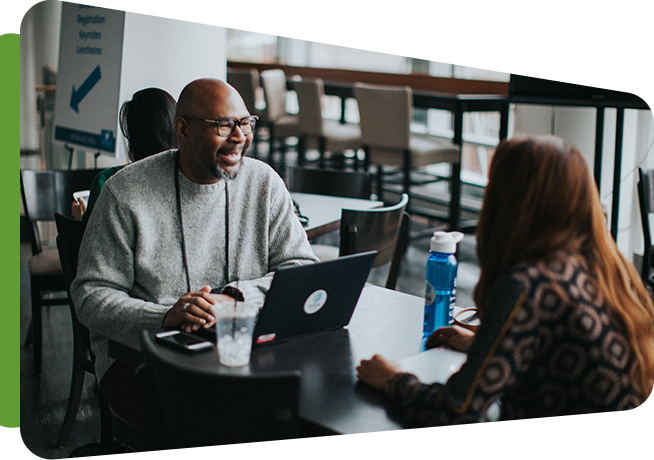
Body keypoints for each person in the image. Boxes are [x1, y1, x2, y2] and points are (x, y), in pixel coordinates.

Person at [72, 78, 319, 430]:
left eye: (245, 123)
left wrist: (234, 297)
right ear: (183, 129)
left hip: (244, 348)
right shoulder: (125, 193)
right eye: (224, 125)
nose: (239, 137)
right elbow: (90, 297)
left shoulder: (264, 182)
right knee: (238, 417)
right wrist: (163, 316)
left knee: (303, 402)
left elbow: (301, 269)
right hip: (142, 360)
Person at [357, 135, 654, 425]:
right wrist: (484, 346)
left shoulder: (527, 284)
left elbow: (456, 411)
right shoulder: (608, 268)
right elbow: (558, 350)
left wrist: (393, 379)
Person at [71, 87, 178, 222]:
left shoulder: (108, 181)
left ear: (132, 136)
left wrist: (82, 219)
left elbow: (94, 238)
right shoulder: (191, 181)